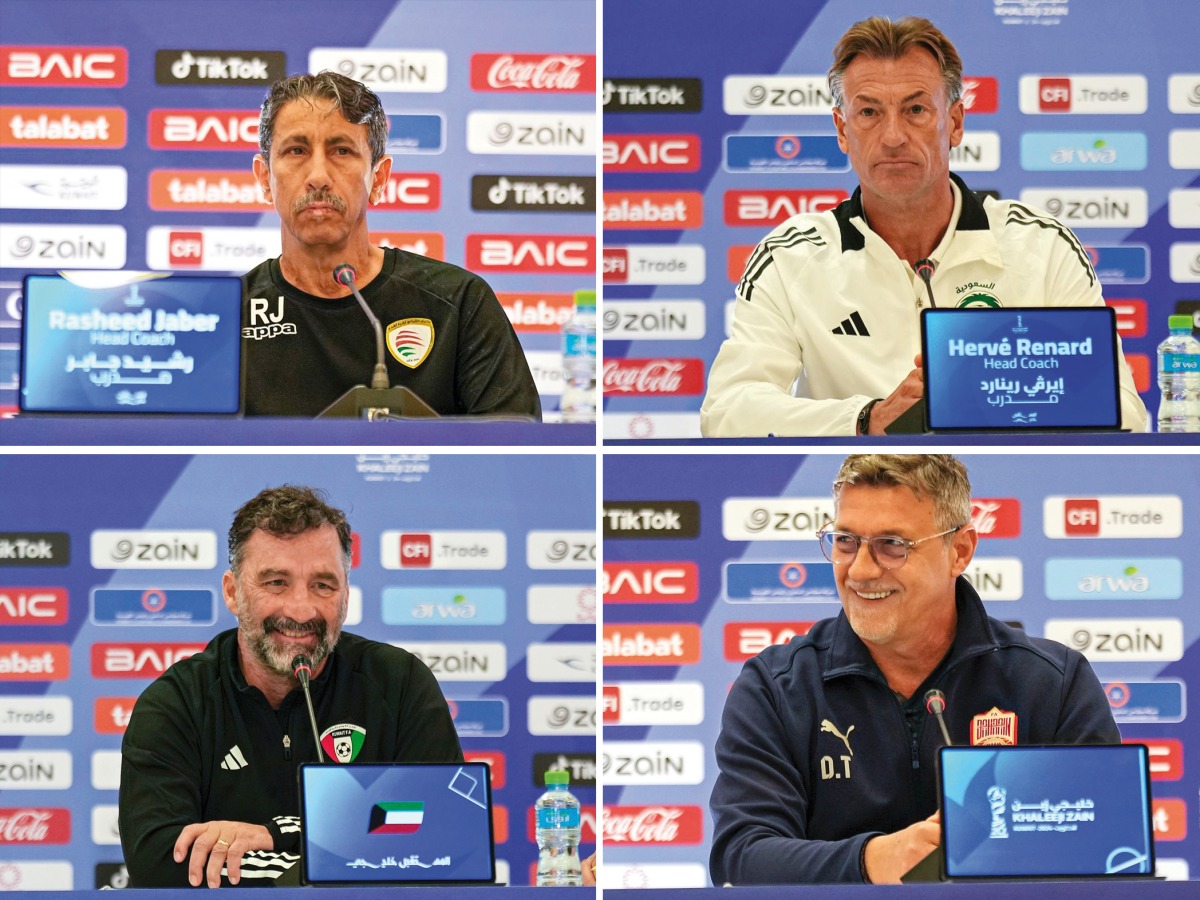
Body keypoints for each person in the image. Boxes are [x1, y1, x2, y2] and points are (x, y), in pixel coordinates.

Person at [700, 17, 1148, 436]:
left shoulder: (1041, 246)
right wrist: (865, 419)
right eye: (869, 112)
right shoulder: (790, 257)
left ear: (954, 123)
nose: (893, 136)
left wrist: (993, 396)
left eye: (915, 109)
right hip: (861, 494)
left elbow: (1125, 413)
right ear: (841, 130)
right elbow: (727, 411)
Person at [708, 455, 1120, 885]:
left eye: (892, 545)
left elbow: (1106, 852)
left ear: (959, 551)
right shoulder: (776, 687)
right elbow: (742, 855)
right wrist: (872, 861)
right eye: (846, 541)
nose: (862, 570)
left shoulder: (1053, 682)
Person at [119, 485, 463, 888]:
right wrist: (330, 855)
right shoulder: (176, 704)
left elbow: (444, 834)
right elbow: (160, 863)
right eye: (277, 582)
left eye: (323, 585)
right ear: (233, 592)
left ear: (346, 596)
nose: (301, 610)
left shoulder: (399, 684)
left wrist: (275, 835)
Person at [242, 71, 541, 419]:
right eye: (296, 150)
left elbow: (518, 454)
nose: (319, 176)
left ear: (379, 179)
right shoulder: (232, 319)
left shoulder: (459, 304)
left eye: (341, 150)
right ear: (265, 179)